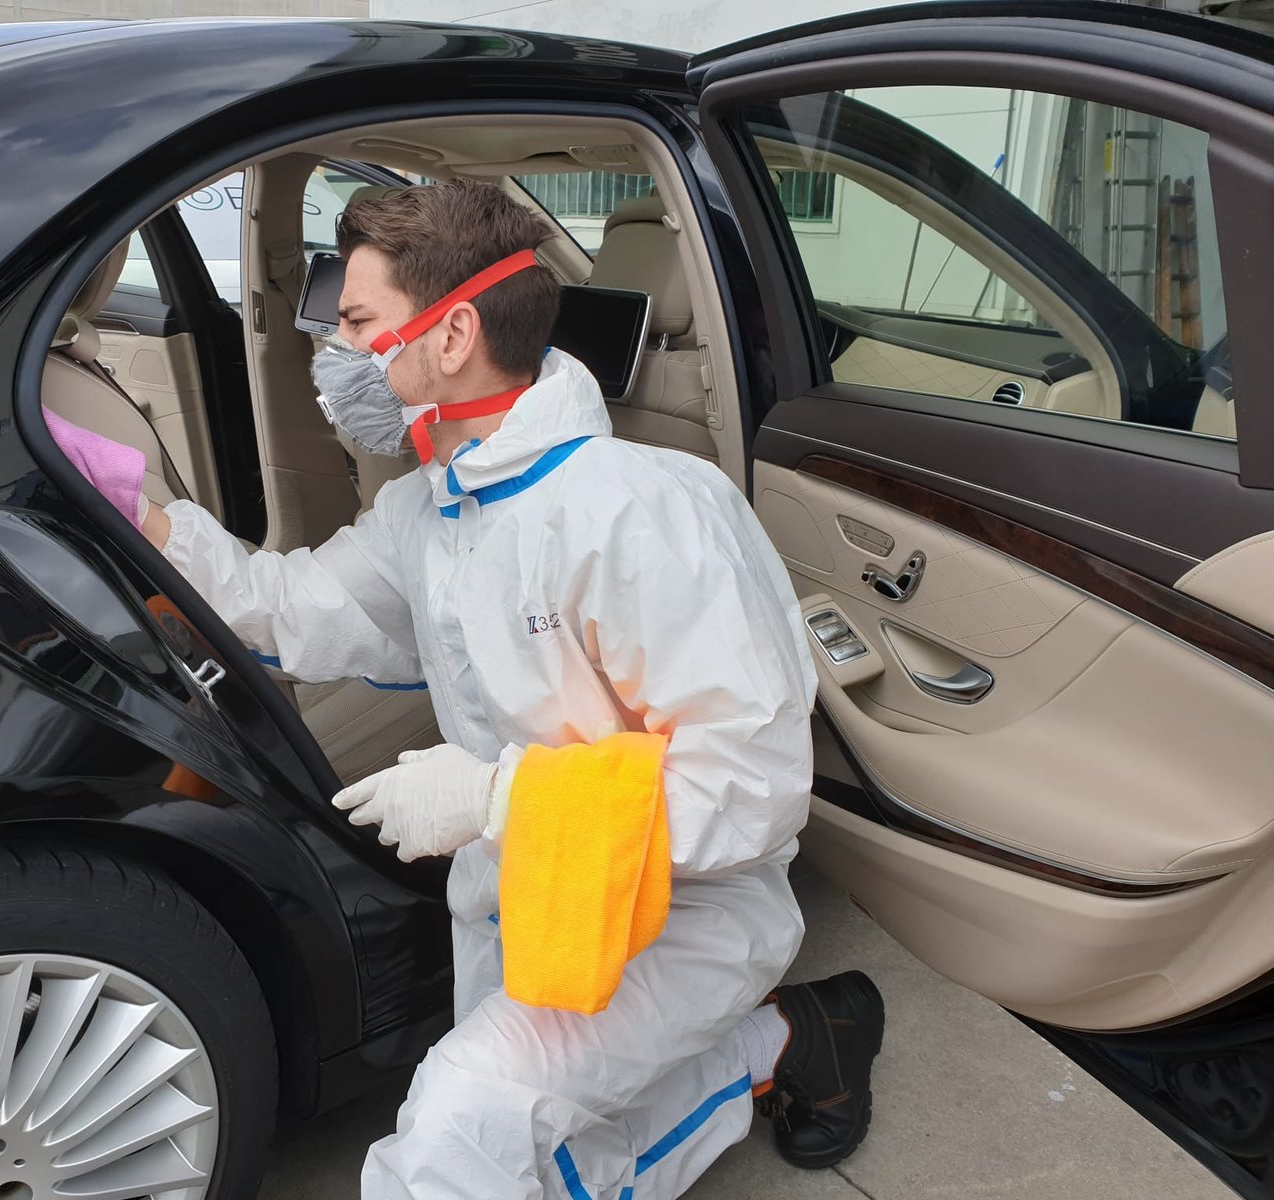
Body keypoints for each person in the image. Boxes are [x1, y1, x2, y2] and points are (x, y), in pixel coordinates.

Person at [55, 180, 885, 1199]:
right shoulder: (429, 510)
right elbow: (293, 610)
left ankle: (776, 1031)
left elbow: (752, 789)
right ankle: (793, 1038)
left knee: (463, 1129)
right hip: (517, 892)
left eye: (357, 322)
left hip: (681, 910)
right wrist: (137, 511)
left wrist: (499, 797)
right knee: (542, 1149)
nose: (335, 348)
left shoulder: (644, 513)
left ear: (450, 336)